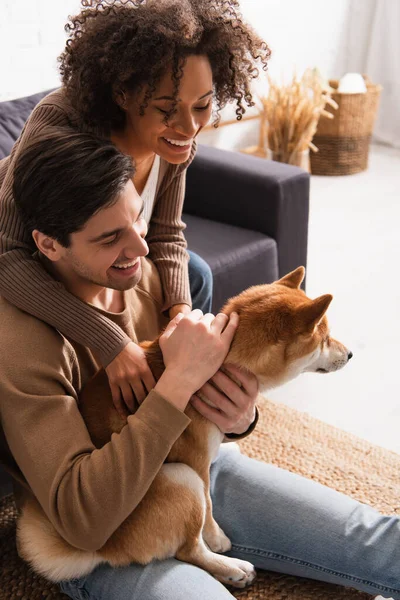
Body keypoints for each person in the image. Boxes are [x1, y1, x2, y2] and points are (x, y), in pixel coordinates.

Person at [2, 132, 400, 600]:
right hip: (101, 530)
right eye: (110, 237)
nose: (142, 248)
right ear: (50, 245)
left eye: (137, 220)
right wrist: (176, 386)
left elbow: (211, 403)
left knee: (379, 541)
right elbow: (82, 519)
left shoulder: (152, 278)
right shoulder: (21, 344)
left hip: (196, 471)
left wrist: (239, 417)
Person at [0, 0, 271, 418]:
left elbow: (165, 233)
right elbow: (7, 255)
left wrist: (182, 316)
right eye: (167, 109)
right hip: (27, 257)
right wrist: (111, 342)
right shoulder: (61, 124)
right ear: (123, 94)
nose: (189, 127)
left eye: (202, 105)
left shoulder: (177, 142)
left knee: (193, 276)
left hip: (80, 261)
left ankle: (177, 416)